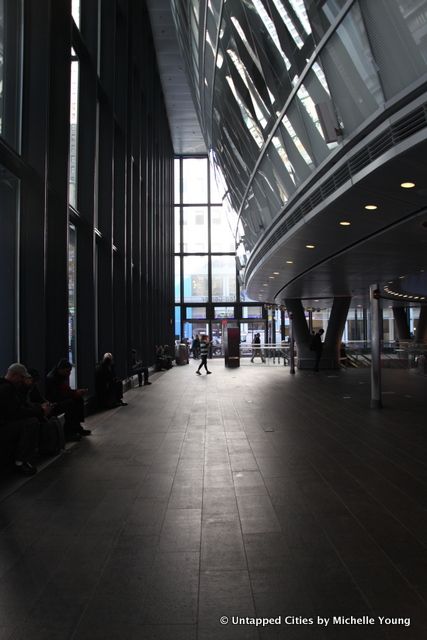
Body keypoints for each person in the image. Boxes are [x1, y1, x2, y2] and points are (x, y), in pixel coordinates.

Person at [0, 363, 47, 475]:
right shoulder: (7, 389)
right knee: (31, 423)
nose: (22, 381)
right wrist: (40, 411)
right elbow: (17, 412)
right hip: (3, 426)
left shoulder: (6, 387)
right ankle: (21, 462)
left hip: (4, 423)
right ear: (15, 375)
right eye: (21, 377)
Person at [46, 359, 91, 440]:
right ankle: (69, 432)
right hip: (55, 404)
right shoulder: (52, 379)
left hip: (61, 399)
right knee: (70, 404)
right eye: (67, 371)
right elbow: (55, 397)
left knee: (79, 400)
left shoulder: (61, 377)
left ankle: (77, 427)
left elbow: (66, 391)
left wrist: (75, 392)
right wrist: (73, 394)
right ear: (61, 369)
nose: (69, 374)